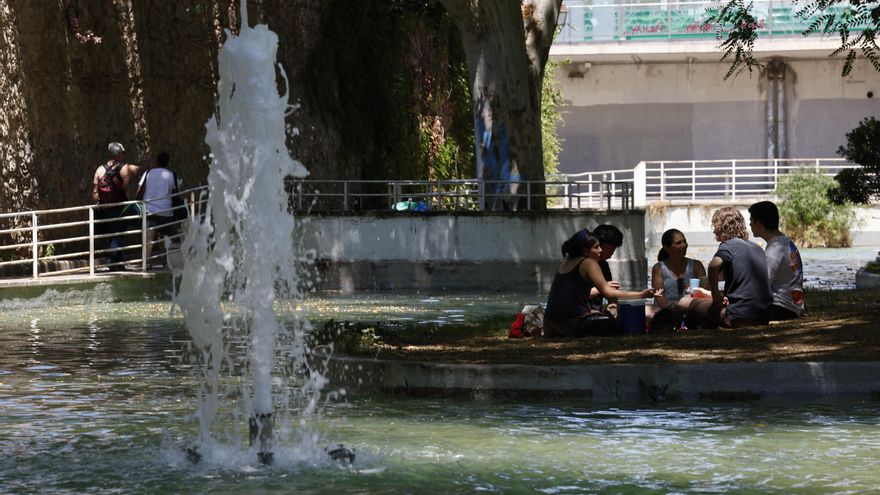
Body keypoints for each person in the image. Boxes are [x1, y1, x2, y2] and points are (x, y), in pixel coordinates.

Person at [543, 229, 660, 337]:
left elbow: (572, 295)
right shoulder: (589, 263)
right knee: (618, 324)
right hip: (572, 325)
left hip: (550, 325)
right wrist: (642, 294)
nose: (600, 250)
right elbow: (608, 293)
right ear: (585, 251)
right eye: (596, 247)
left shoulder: (566, 262)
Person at [688, 207, 773, 328]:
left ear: (720, 227)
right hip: (764, 316)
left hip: (737, 317)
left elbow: (713, 266)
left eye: (715, 226)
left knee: (687, 302)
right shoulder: (757, 248)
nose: (714, 231)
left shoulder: (727, 245)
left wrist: (716, 296)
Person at [748, 201, 804, 320]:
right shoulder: (785, 242)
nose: (749, 224)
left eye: (751, 220)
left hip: (782, 308)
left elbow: (761, 285)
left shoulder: (774, 250)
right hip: (794, 306)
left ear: (758, 223)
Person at [92, 142, 141, 270]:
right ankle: (111, 261)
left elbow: (95, 192)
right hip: (119, 207)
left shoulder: (100, 169)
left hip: (104, 208)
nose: (123, 155)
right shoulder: (125, 168)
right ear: (119, 154)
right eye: (122, 153)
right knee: (118, 235)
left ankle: (118, 264)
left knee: (111, 235)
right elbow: (140, 170)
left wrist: (100, 204)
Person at [136, 151, 180, 269]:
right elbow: (175, 192)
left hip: (149, 210)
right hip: (166, 212)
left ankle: (146, 263)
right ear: (168, 162)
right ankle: (168, 262)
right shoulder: (171, 175)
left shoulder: (148, 172)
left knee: (148, 240)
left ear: (157, 161)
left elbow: (139, 189)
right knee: (169, 236)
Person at [651, 228, 707, 308]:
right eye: (678, 243)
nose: (683, 245)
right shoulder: (658, 268)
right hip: (666, 314)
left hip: (691, 311)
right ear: (667, 248)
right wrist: (673, 313)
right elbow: (659, 296)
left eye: (684, 241)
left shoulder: (697, 265)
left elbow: (705, 291)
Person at [589, 224, 623, 310]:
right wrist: (603, 288)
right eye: (608, 249)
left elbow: (611, 295)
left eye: (613, 249)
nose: (611, 253)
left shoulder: (603, 265)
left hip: (596, 313)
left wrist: (613, 306)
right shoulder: (582, 264)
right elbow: (576, 296)